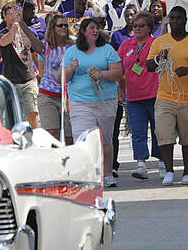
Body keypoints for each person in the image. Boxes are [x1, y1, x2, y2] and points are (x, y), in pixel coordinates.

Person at [143, 5, 188, 186]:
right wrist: (160, 59)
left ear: (185, 20)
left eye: (179, 18)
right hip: (165, 97)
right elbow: (149, 66)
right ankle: (169, 171)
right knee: (164, 134)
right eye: (172, 18)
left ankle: (187, 173)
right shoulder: (159, 42)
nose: (175, 22)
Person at [63, 17, 123, 183]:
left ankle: (107, 174)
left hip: (105, 101)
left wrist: (102, 74)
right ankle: (85, 174)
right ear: (83, 31)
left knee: (105, 139)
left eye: (97, 28)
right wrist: (71, 68)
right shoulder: (72, 52)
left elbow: (118, 72)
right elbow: (63, 78)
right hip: (80, 102)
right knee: (82, 139)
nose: (95, 31)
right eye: (91, 28)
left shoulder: (107, 50)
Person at [117, 13, 162, 179]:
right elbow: (117, 67)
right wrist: (122, 88)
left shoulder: (156, 43)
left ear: (149, 28)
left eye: (141, 25)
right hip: (134, 97)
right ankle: (141, 165)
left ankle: (162, 162)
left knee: (160, 131)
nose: (136, 28)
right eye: (134, 25)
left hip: (155, 94)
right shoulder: (126, 44)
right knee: (138, 132)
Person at [0, 0, 45, 126]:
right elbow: (4, 42)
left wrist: (38, 69)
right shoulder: (1, 34)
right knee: (11, 115)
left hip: (28, 78)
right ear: (4, 17)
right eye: (10, 14)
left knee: (32, 111)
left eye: (16, 14)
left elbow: (34, 52)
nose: (13, 17)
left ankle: (35, 136)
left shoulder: (27, 32)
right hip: (11, 81)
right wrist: (13, 31)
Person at [38, 14, 73, 142]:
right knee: (52, 135)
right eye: (60, 25)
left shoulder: (73, 46)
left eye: (66, 25)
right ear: (53, 28)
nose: (64, 27)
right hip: (48, 94)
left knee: (70, 138)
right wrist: (21, 23)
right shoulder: (46, 46)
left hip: (69, 96)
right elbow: (41, 70)